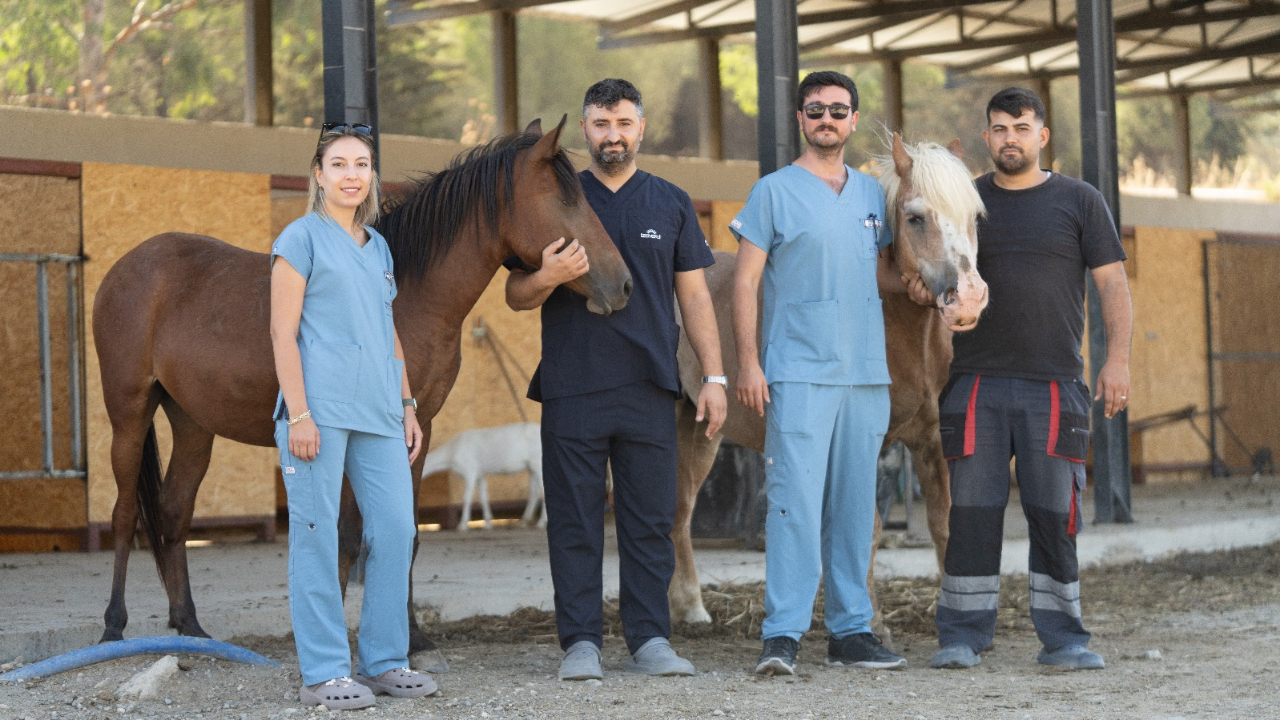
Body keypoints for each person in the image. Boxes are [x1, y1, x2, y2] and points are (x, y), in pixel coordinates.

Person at [504, 78, 727, 681]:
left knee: (650, 521)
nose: (613, 136)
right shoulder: (555, 197)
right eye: (601, 125)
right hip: (572, 384)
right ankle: (580, 643)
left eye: (624, 124)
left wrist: (714, 376)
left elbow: (696, 298)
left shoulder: (671, 202)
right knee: (574, 522)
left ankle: (650, 639)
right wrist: (547, 274)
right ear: (585, 129)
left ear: (641, 129)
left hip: (652, 385)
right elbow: (515, 296)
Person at [929, 87, 1132, 671]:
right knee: (971, 510)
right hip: (974, 381)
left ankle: (1065, 638)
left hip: (1054, 383)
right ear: (988, 137)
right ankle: (963, 635)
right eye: (998, 128)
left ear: (1042, 136)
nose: (1009, 138)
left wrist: (1116, 361)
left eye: (1020, 127)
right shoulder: (966, 201)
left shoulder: (1080, 200)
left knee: (1054, 511)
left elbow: (1113, 285)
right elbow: (932, 266)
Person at [731, 70, 920, 675]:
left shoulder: (870, 196)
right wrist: (749, 362)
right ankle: (782, 635)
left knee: (854, 506)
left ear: (854, 120)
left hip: (865, 374)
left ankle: (850, 631)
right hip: (800, 371)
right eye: (816, 110)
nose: (827, 119)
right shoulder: (774, 191)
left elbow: (880, 272)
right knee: (793, 504)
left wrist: (915, 284)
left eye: (839, 110)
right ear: (801, 120)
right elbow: (745, 281)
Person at [270, 123, 437, 709]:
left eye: (361, 165)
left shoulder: (379, 246)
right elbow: (281, 333)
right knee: (316, 536)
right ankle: (322, 672)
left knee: (396, 529)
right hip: (318, 410)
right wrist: (298, 415)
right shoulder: (300, 239)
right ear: (318, 174)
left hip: (378, 409)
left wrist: (408, 403)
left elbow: (386, 330)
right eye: (338, 164)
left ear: (371, 177)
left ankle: (385, 661)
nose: (351, 175)